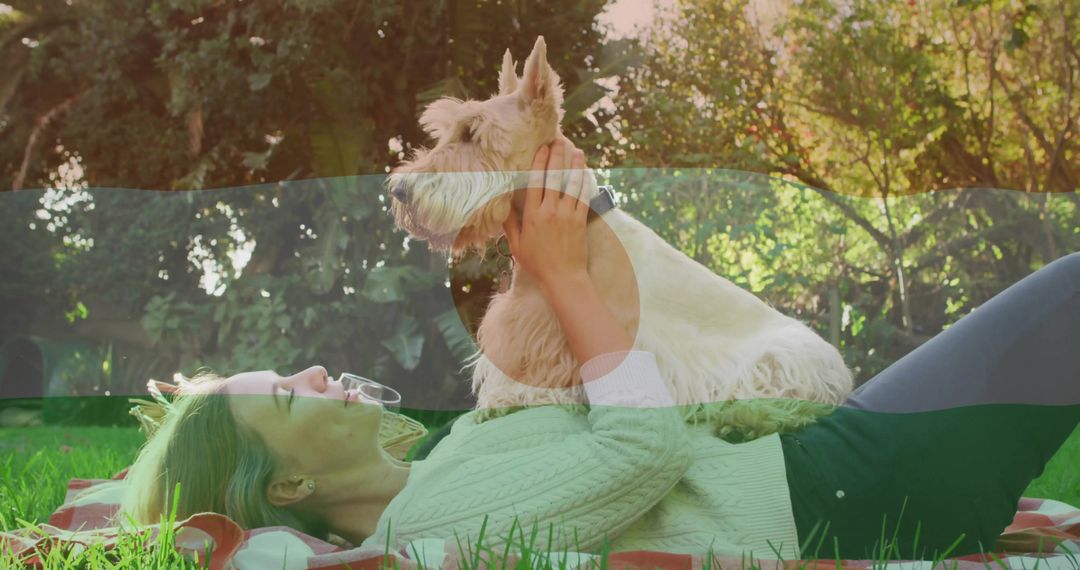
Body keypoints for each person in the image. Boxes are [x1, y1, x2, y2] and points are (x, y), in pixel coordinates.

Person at [121, 139, 1080, 561]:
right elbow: (642, 447)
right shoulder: (429, 523)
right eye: (291, 396)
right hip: (862, 488)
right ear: (286, 489)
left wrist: (566, 238)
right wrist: (569, 278)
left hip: (837, 462)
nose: (317, 373)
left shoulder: (443, 474)